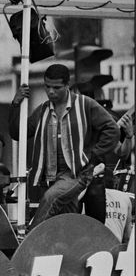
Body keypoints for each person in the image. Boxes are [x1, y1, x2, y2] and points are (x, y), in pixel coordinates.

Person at [9, 63, 119, 230]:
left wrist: (93, 155)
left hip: (76, 173)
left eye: (56, 87)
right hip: (50, 176)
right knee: (66, 225)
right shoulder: (42, 110)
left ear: (68, 85)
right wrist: (16, 104)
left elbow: (112, 129)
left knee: (50, 198)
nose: (51, 91)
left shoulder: (85, 104)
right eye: (47, 86)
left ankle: (29, 243)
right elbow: (18, 133)